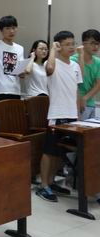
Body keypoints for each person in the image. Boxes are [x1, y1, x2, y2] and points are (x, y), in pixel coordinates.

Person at [36, 31, 82, 202]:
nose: (71, 47)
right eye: (67, 44)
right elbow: (49, 70)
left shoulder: (75, 65)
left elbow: (76, 91)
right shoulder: (51, 62)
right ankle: (43, 186)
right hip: (56, 115)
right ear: (58, 45)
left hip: (72, 115)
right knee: (50, 151)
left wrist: (77, 114)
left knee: (61, 153)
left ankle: (52, 181)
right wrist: (53, 50)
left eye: (73, 43)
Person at [71, 29, 100, 119]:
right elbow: (77, 80)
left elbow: (98, 84)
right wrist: (80, 99)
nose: (96, 46)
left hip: (90, 103)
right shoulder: (72, 60)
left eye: (98, 44)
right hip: (74, 103)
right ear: (84, 43)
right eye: (93, 43)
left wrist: (85, 98)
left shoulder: (98, 62)